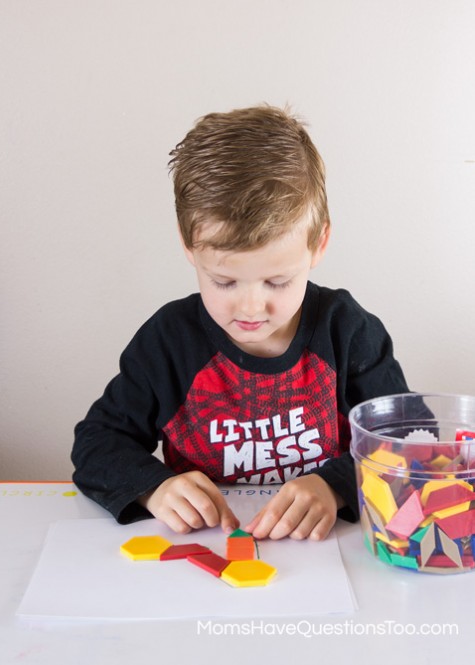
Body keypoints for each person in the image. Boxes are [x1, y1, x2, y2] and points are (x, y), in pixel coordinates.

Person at [71, 104, 408, 542]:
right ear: (189, 245)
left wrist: (335, 486)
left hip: (329, 557)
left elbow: (402, 441)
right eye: (225, 281)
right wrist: (153, 488)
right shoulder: (169, 342)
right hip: (205, 555)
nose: (251, 308)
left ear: (318, 243)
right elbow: (97, 442)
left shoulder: (347, 332)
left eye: (277, 281)